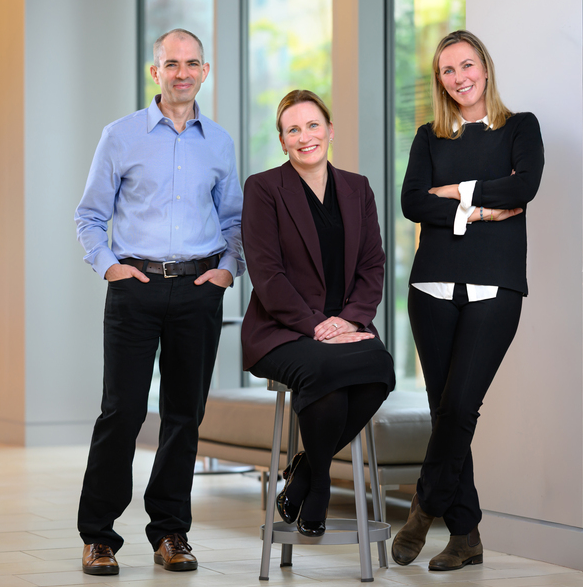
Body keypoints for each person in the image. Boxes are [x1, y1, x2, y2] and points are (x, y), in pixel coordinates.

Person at [74, 29, 244, 575]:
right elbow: (90, 215)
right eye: (171, 64)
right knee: (121, 411)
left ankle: (171, 532)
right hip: (136, 289)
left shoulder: (218, 141)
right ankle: (98, 535)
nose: (182, 72)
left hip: (199, 290)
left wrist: (226, 270)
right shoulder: (120, 136)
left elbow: (234, 219)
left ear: (205, 70)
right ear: (156, 73)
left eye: (192, 63)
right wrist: (111, 269)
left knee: (183, 416)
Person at [392, 30, 544, 571]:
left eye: (466, 65)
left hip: (495, 286)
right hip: (431, 286)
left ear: (485, 66)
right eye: (448, 72)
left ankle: (422, 509)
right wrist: (481, 206)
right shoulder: (428, 137)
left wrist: (454, 195)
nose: (459, 79)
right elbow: (412, 202)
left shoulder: (520, 128)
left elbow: (523, 187)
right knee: (445, 413)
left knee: (460, 406)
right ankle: (467, 535)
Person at [241, 90, 395, 538]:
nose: (305, 136)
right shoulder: (264, 188)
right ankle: (322, 484)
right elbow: (266, 275)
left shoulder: (357, 187)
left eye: (313, 125)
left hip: (347, 323)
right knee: (326, 372)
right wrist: (314, 326)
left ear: (330, 130)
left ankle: (307, 471)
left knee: (380, 368)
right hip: (281, 328)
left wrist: (348, 320)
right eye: (293, 129)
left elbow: (372, 264)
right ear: (283, 141)